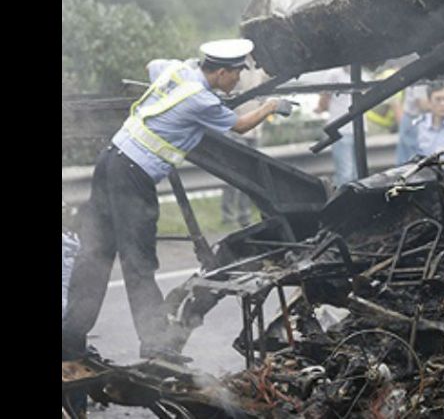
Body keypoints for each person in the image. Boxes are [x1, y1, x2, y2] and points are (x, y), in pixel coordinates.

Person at [62, 39, 294, 363]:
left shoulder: (178, 70)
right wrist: (271, 106)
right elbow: (241, 126)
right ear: (222, 71)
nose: (239, 80)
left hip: (111, 161)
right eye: (237, 73)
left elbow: (152, 66)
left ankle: (70, 339)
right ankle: (155, 342)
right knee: (139, 260)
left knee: (95, 254)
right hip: (133, 174)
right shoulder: (201, 100)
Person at [314, 66, 359, 187]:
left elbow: (323, 101)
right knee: (354, 173)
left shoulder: (333, 75)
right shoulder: (360, 73)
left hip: (341, 128)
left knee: (346, 173)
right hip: (356, 128)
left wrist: (318, 109)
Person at [396, 80, 430, 164]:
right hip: (413, 120)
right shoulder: (419, 79)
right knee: (410, 160)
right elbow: (422, 104)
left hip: (415, 119)